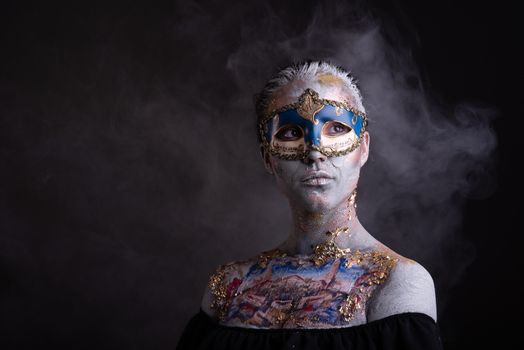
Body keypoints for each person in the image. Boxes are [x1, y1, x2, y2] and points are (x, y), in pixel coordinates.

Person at [176, 61, 443, 349]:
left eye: (337, 127)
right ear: (268, 159)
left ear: (363, 148)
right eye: (291, 133)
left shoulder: (395, 283)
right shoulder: (228, 285)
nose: (314, 151)